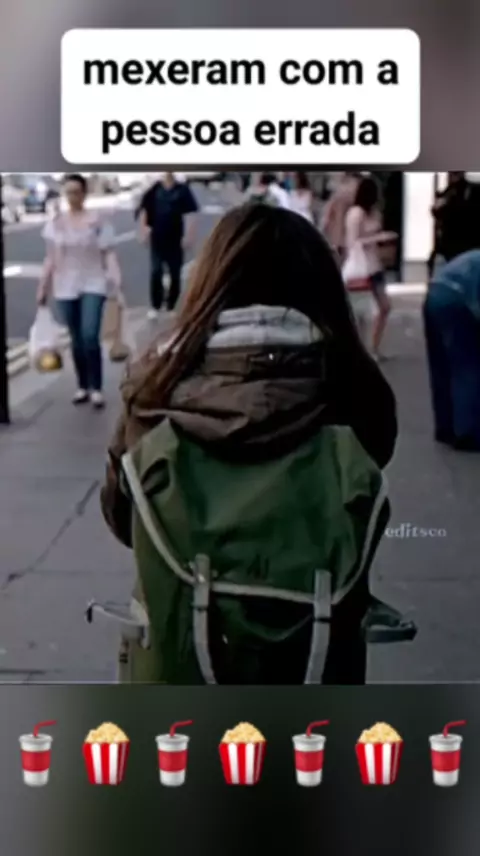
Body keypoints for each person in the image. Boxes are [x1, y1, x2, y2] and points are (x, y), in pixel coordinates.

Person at [100, 203, 399, 685]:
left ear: (210, 281)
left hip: (183, 659)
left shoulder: (156, 387)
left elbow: (123, 519)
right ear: (321, 287)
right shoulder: (355, 387)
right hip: (315, 658)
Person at [36, 173, 122, 408]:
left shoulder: (98, 221)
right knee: (76, 339)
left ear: (84, 193)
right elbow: (50, 258)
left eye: (76, 192)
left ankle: (96, 388)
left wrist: (116, 279)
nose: (72, 197)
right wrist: (43, 287)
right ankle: (82, 385)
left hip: (94, 282)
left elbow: (108, 253)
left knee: (90, 335)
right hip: (65, 286)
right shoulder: (56, 223)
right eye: (68, 192)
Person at [424, 250, 480, 451]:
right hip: (457, 300)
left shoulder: (474, 258)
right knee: (467, 366)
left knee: (441, 366)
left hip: (435, 293)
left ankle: (445, 428)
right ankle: (468, 433)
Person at [344, 176, 396, 360]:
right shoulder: (355, 213)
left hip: (375, 265)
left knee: (385, 306)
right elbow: (353, 242)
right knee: (360, 312)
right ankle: (361, 351)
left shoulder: (374, 213)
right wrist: (378, 238)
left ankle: (373, 347)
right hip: (361, 267)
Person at [136, 172, 199, 319]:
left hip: (175, 239)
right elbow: (145, 210)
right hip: (157, 238)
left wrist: (189, 235)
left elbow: (191, 213)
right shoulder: (154, 189)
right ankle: (155, 305)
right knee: (156, 271)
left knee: (174, 272)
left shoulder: (182, 190)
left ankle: (172, 304)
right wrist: (143, 231)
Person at [430, 172, 480, 271]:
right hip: (458, 241)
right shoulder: (452, 190)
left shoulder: (456, 191)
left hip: (459, 240)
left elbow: (439, 211)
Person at [320, 171, 361, 259]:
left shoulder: (342, 188)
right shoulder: (352, 186)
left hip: (340, 231)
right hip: (344, 230)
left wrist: (325, 222)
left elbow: (329, 211)